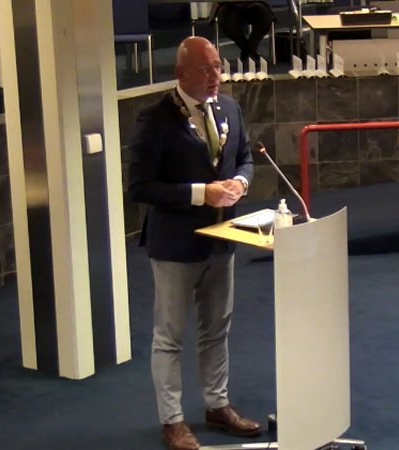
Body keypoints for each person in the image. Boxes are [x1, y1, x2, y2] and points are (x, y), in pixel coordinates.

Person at [128, 36, 258, 450]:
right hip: (175, 247)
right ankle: (172, 421)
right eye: (206, 69)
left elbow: (246, 158)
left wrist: (240, 183)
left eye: (218, 66)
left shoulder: (230, 107)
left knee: (217, 329)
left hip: (222, 240)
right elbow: (141, 187)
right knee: (169, 337)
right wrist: (202, 193)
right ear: (180, 73)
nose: (215, 75)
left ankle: (217, 405)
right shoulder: (155, 119)